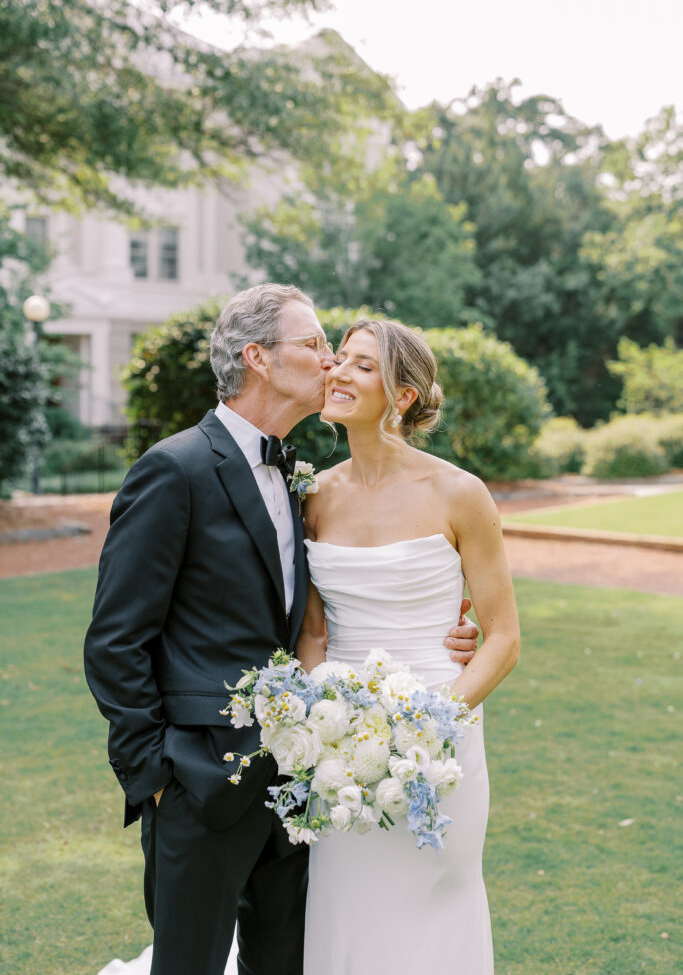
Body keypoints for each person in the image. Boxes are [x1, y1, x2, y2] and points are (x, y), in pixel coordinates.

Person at [84, 284, 479, 975]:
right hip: (200, 782)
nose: (330, 362)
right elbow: (116, 640)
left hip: (300, 784)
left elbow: (317, 609)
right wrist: (153, 776)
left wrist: (441, 627)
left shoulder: (300, 477)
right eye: (315, 344)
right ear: (258, 358)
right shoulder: (174, 470)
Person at [296, 318, 521, 974]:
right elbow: (312, 632)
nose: (338, 372)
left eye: (362, 365)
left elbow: (503, 637)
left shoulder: (458, 493)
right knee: (345, 900)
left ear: (402, 395)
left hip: (440, 731)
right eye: (339, 358)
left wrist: (429, 723)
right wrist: (320, 719)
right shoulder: (312, 496)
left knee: (433, 897)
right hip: (340, 740)